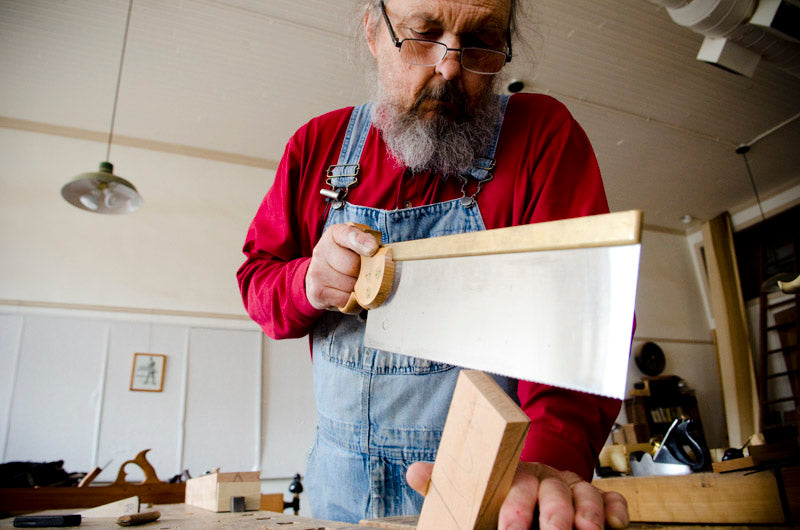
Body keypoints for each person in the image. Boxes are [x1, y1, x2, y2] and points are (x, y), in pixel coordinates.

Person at [237, 0, 630, 528]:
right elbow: (257, 281)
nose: (450, 66)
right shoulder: (318, 145)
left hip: (488, 489)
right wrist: (307, 281)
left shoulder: (541, 136)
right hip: (335, 489)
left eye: (482, 41)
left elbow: (576, 322)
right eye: (423, 33)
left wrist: (546, 462)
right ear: (374, 33)